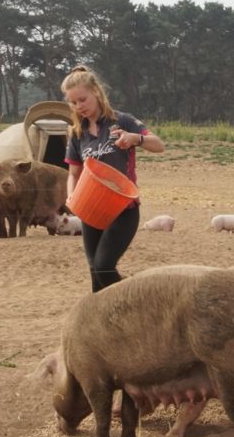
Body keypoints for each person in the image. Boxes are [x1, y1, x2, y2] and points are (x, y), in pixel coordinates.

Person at [62, 65, 165, 292]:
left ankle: (135, 305)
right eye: (73, 102)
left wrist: (134, 138)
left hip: (123, 210)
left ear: (96, 93)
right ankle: (105, 325)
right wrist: (72, 198)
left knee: (103, 267)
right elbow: (73, 174)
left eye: (83, 99)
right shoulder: (77, 134)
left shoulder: (123, 121)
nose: (79, 106)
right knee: (94, 274)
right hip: (91, 210)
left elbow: (159, 145)